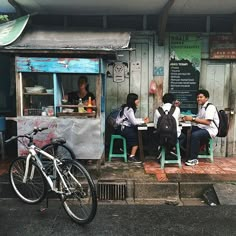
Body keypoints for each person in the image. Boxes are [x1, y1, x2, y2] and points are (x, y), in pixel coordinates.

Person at [182, 89, 219, 166]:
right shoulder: (202, 107)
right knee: (187, 132)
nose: (198, 99)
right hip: (203, 128)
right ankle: (185, 154)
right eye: (197, 97)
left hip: (210, 130)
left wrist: (192, 119)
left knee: (195, 135)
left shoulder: (210, 107)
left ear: (206, 98)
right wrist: (186, 119)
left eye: (201, 97)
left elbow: (207, 122)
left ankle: (194, 159)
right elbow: (198, 119)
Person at [116, 93, 149, 163]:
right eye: (136, 99)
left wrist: (142, 120)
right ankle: (132, 156)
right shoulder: (129, 110)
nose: (138, 101)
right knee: (136, 139)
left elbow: (132, 120)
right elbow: (134, 122)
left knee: (137, 133)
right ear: (133, 101)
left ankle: (126, 149)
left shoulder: (126, 108)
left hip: (121, 128)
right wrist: (143, 121)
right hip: (124, 129)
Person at [154, 93, 185, 158]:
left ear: (163, 100)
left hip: (161, 136)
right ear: (173, 101)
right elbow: (178, 120)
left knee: (156, 137)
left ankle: (164, 151)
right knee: (183, 137)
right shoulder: (177, 109)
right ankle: (173, 149)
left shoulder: (157, 110)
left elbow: (155, 126)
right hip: (174, 134)